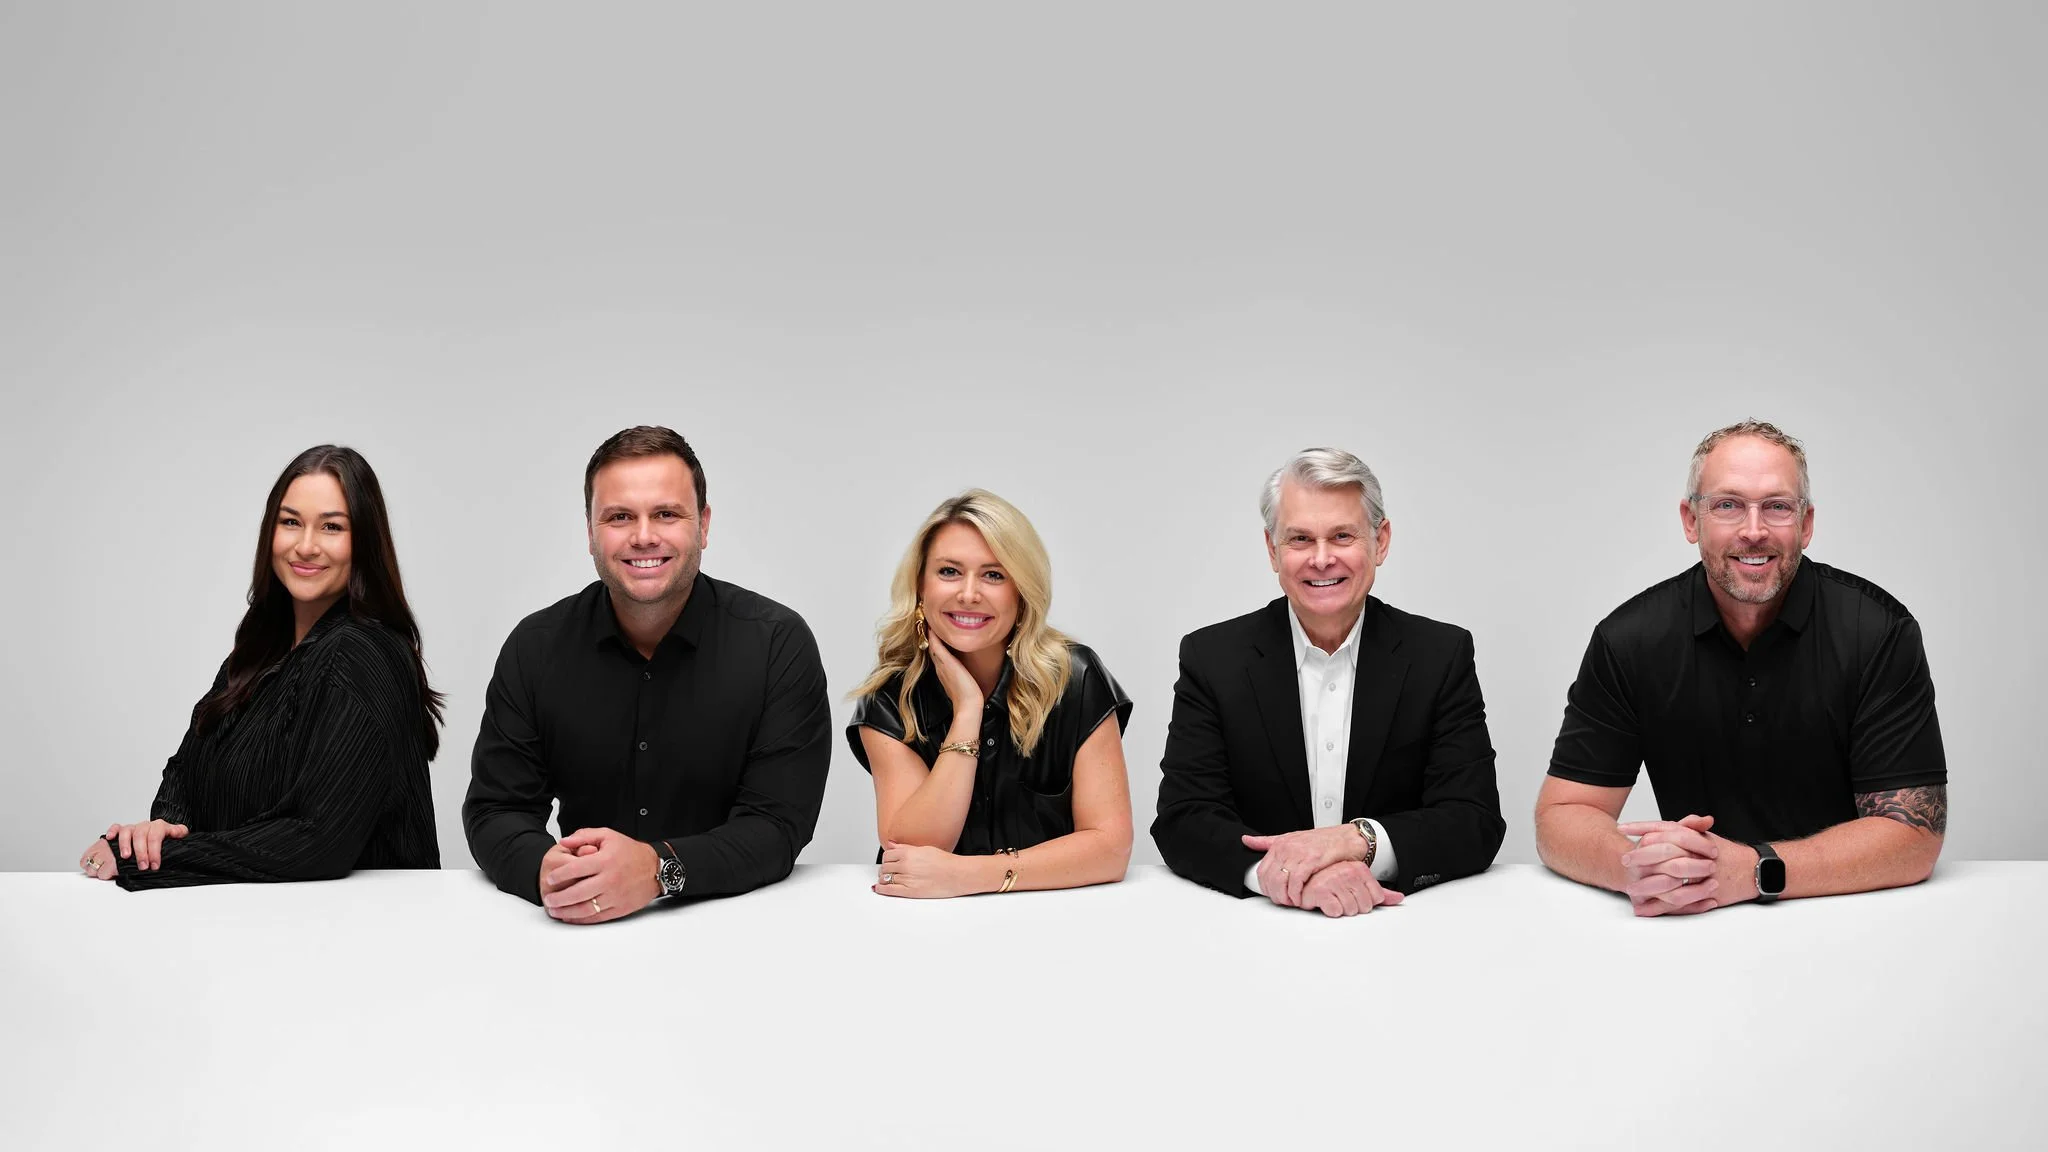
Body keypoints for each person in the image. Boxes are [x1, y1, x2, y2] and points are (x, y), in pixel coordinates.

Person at [1537, 420, 1947, 915]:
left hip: (1847, 913)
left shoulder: (1879, 632)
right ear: (1691, 521)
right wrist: (1635, 866)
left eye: (1776, 507)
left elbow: (1914, 835)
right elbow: (1562, 815)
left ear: (1806, 524)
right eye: (1728, 505)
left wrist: (1754, 870)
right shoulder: (1628, 639)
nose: (1754, 531)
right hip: (1689, 927)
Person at [464, 425, 831, 923]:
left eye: (666, 513)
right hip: (575, 933)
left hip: (739, 926)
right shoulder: (536, 646)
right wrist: (548, 872)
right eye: (619, 517)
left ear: (702, 525)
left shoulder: (776, 644)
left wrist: (660, 871)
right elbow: (495, 810)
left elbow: (776, 827)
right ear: (590, 531)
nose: (643, 536)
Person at [1152, 448, 1506, 916]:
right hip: (1251, 930)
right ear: (1271, 549)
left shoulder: (1440, 655)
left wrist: (1358, 843)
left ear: (1380, 542)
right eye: (1300, 538)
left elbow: (1473, 820)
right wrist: (1282, 876)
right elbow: (1184, 818)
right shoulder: (1211, 658)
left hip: (1406, 928)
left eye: (1342, 536)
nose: (1322, 559)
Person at [79, 445, 443, 887]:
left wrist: (152, 860)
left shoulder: (365, 652)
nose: (305, 546)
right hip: (258, 929)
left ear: (363, 541)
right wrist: (157, 834)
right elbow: (186, 774)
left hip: (353, 938)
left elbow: (318, 839)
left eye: (331, 527)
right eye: (290, 522)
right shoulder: (259, 649)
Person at [848, 490, 1132, 898]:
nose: (968, 593)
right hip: (925, 923)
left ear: (1021, 592)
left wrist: (972, 876)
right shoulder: (889, 697)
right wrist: (968, 710)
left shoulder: (1075, 677)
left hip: (1057, 917)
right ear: (920, 586)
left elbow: (1111, 850)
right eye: (949, 571)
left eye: (993, 575)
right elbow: (914, 849)